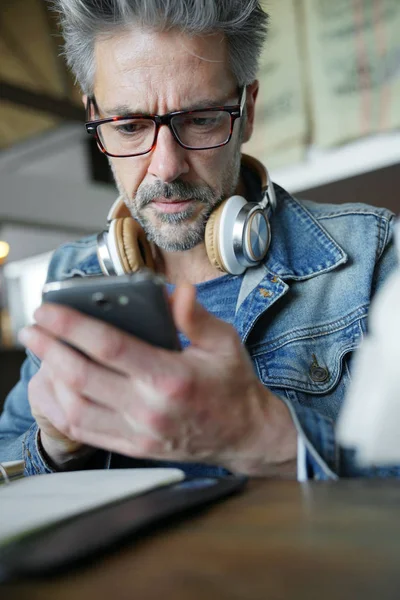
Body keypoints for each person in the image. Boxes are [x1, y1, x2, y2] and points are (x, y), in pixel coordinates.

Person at [0, 0, 398, 480]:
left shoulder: (373, 255)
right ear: (96, 118)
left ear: (246, 112)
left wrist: (267, 439)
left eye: (202, 119)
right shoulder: (70, 276)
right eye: (129, 126)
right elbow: (7, 455)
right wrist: (52, 446)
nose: (167, 167)